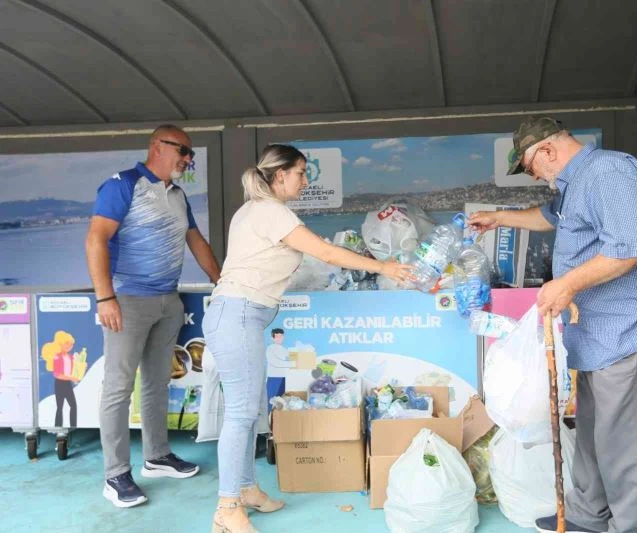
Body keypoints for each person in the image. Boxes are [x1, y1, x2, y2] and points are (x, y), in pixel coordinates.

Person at [470, 117, 637, 533]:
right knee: (590, 432)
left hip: (631, 329)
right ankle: (587, 516)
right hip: (600, 334)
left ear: (548, 151)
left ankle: (630, 527)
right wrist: (499, 217)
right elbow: (550, 218)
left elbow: (631, 247)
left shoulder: (608, 172)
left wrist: (565, 283)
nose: (534, 176)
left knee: (625, 442)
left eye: (531, 167)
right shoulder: (575, 185)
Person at [203, 144, 412, 533]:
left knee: (249, 412)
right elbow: (326, 254)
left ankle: (246, 489)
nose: (306, 179)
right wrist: (383, 266)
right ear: (279, 175)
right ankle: (227, 507)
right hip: (238, 315)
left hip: (241, 317)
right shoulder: (269, 211)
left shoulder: (255, 211)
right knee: (241, 414)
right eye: (300, 172)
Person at [85, 125, 221, 508]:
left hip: (167, 300)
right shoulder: (122, 185)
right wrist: (104, 297)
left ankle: (157, 456)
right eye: (183, 151)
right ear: (157, 146)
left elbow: (196, 240)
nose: (188, 159)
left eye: (191, 154)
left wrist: (220, 281)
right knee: (118, 387)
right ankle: (115, 476)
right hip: (127, 300)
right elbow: (96, 239)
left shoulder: (178, 195)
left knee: (158, 383)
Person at [41, 330, 81, 427]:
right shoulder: (56, 357)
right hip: (59, 383)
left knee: (73, 405)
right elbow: (57, 374)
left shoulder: (70, 357)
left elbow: (75, 369)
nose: (69, 346)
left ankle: (73, 425)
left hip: (68, 384)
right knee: (60, 407)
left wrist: (81, 366)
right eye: (66, 344)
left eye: (71, 344)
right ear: (60, 344)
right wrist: (71, 378)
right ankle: (57, 426)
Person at [265, 328, 293, 415]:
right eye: (277, 337)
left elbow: (293, 357)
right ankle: (266, 422)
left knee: (281, 401)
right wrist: (293, 363)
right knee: (270, 400)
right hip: (274, 378)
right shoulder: (270, 349)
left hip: (283, 378)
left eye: (281, 337)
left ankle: (277, 421)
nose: (279, 339)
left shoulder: (283, 349)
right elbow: (275, 362)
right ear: (272, 338)